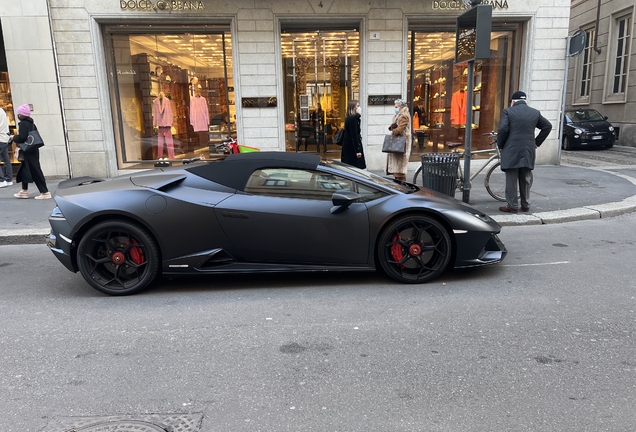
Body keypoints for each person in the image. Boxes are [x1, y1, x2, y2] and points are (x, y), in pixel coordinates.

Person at [497, 91, 552, 213]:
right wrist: (537, 142)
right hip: (528, 149)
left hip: (511, 149)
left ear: (513, 101)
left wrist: (501, 144)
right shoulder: (534, 112)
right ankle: (526, 204)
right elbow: (547, 126)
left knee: (511, 178)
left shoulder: (508, 111)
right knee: (525, 177)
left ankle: (512, 205)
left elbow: (502, 129)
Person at [11, 104, 51, 199]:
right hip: (32, 150)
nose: (18, 115)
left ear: (21, 115)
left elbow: (22, 137)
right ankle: (24, 190)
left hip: (28, 151)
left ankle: (45, 192)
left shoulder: (23, 124)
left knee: (35, 170)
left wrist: (14, 137)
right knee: (25, 168)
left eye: (18, 113)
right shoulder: (31, 123)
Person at [386, 99, 412, 182]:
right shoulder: (399, 116)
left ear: (401, 107)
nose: (395, 108)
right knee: (397, 170)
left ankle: (402, 188)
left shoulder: (404, 116)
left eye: (396, 107)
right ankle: (399, 186)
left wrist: (394, 131)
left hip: (401, 144)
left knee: (400, 170)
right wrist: (393, 127)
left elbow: (400, 130)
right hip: (398, 144)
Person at [340, 100, 366, 169]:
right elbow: (354, 136)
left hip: (349, 147)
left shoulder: (351, 118)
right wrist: (357, 151)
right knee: (355, 168)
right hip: (352, 149)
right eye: (357, 106)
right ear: (353, 108)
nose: (359, 108)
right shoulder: (352, 119)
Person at [0, 107, 13, 188]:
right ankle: (9, 179)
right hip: (5, 138)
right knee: (6, 159)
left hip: (0, 138)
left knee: (6, 159)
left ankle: (1, 180)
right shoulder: (2, 111)